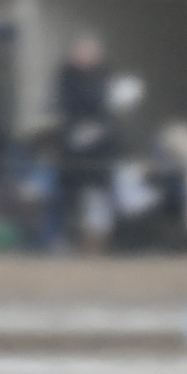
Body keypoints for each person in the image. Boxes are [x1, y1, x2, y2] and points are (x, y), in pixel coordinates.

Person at [55, 32, 118, 252]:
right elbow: (64, 107)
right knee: (69, 195)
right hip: (73, 147)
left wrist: (99, 129)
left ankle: (97, 241)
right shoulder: (66, 76)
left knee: (98, 195)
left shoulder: (105, 77)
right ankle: (70, 239)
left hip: (99, 150)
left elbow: (110, 111)